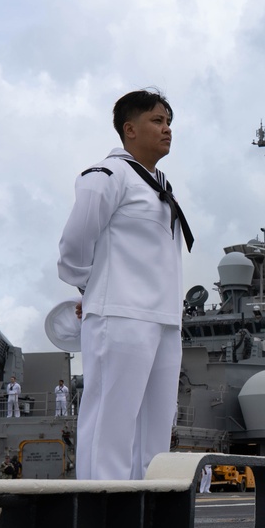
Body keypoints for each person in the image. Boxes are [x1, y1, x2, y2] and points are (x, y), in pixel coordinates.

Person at [58, 90, 192, 481]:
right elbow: (73, 245)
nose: (167, 129)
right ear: (129, 129)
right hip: (120, 314)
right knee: (110, 426)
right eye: (157, 121)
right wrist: (93, 289)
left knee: (155, 432)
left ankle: (148, 521)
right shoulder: (108, 176)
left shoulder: (158, 184)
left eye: (169, 122)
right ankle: (101, 522)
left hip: (164, 320)